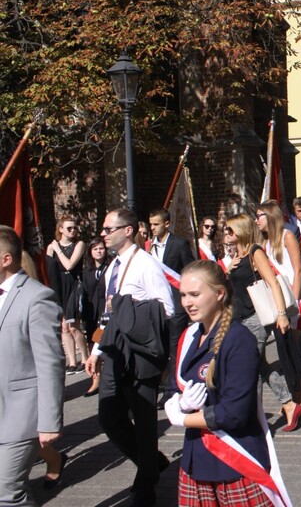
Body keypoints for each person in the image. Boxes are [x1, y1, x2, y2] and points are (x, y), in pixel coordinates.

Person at [165, 260, 291, 506]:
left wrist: (183, 419)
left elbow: (234, 413)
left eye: (194, 294)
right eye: (182, 295)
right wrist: (178, 402)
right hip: (197, 460)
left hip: (233, 463)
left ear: (219, 293)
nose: (187, 303)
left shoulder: (238, 340)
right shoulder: (190, 336)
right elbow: (175, 384)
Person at [85, 208, 175, 506]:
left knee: (145, 419)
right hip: (113, 350)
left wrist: (131, 310)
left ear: (127, 230)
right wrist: (96, 350)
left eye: (109, 228)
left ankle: (145, 484)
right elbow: (108, 315)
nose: (103, 233)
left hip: (138, 352)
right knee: (109, 417)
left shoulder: (145, 264)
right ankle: (151, 461)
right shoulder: (113, 267)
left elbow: (167, 308)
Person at [0, 226, 66, 507]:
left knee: (6, 491)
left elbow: (51, 362)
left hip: (20, 414)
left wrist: (50, 421)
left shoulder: (37, 297)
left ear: (5, 259)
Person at [222, 213, 301, 434]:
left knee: (250, 368)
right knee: (259, 365)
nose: (226, 234)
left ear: (240, 230)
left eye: (230, 230)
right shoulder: (237, 256)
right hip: (240, 319)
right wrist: (229, 268)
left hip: (255, 318)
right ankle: (289, 404)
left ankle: (255, 420)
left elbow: (273, 283)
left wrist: (281, 313)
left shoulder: (254, 252)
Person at [256, 200, 301, 416]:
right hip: (276, 302)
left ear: (270, 216)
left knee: (291, 352)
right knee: (283, 351)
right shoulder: (265, 242)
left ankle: (300, 400)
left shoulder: (287, 236)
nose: (256, 220)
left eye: (259, 215)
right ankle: (294, 398)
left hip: (291, 303)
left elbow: (297, 271)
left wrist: (294, 303)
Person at [149, 207, 196, 406]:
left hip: (176, 304)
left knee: (175, 346)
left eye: (156, 224)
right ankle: (161, 383)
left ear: (167, 224)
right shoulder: (148, 247)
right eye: (150, 224)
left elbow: (190, 270)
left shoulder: (179, 244)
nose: (152, 228)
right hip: (156, 305)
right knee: (160, 346)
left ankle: (173, 389)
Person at [45, 215, 88, 374]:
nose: (72, 230)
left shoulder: (79, 244)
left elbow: (69, 265)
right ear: (60, 229)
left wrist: (57, 249)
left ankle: (84, 358)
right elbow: (50, 270)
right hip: (58, 287)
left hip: (73, 286)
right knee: (64, 328)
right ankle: (72, 362)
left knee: (74, 326)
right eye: (69, 228)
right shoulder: (52, 247)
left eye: (74, 227)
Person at [81, 237, 109, 398]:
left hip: (106, 312)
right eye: (95, 249)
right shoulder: (87, 271)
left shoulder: (111, 267)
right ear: (90, 252)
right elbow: (85, 293)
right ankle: (96, 380)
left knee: (107, 344)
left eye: (101, 248)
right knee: (94, 346)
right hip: (93, 313)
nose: (99, 251)